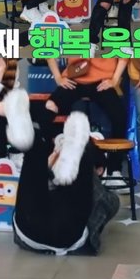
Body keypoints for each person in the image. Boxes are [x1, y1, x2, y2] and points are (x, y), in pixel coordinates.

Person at [13, 112, 119, 256]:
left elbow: (109, 203)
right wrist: (50, 167)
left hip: (50, 229)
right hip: (41, 225)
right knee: (36, 157)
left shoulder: (101, 192)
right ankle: (36, 139)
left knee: (74, 159)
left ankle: (73, 151)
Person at [36, 58, 129, 187]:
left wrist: (114, 79)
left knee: (119, 116)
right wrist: (58, 77)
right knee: (49, 107)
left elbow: (124, 55)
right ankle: (47, 164)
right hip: (74, 79)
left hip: (101, 82)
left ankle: (114, 171)